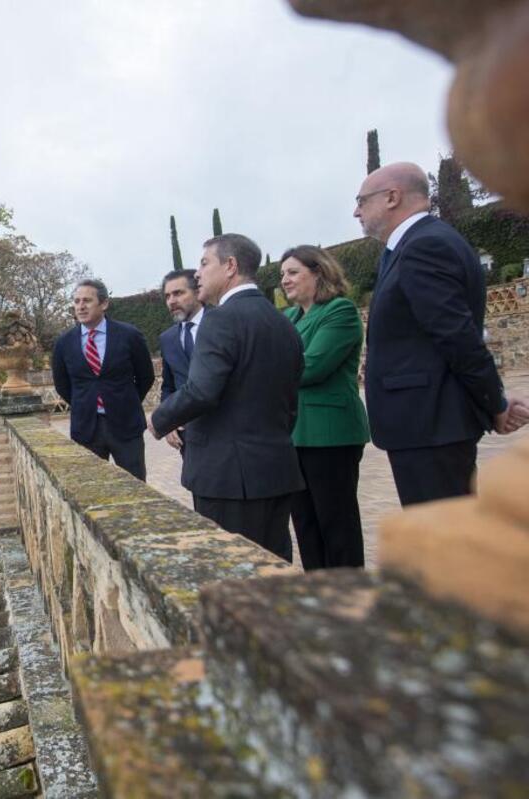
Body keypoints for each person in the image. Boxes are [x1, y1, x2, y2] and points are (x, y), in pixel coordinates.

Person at [355, 162, 528, 505]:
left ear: (392, 197)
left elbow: (458, 336)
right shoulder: (409, 248)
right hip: (424, 425)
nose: (356, 211)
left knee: (444, 544)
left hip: (430, 423)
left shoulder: (425, 246)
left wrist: (495, 404)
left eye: (362, 201)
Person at [148, 234, 305, 561]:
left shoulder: (220, 318)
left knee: (234, 575)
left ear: (230, 266)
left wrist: (159, 418)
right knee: (273, 570)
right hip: (276, 468)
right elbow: (289, 400)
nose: (198, 274)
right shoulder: (283, 321)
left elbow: (201, 390)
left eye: (205, 263)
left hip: (228, 478)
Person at [279, 245, 369, 569]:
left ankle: (349, 598)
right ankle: (320, 596)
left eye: (292, 272)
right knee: (305, 523)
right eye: (282, 275)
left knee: (337, 522)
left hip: (331, 432)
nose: (285, 280)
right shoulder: (287, 317)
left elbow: (313, 365)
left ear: (318, 272)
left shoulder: (339, 311)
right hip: (293, 435)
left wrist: (265, 369)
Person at [52, 278, 155, 479]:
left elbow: (146, 376)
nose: (80, 307)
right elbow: (62, 384)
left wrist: (125, 401)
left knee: (134, 487)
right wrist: (84, 404)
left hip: (125, 425)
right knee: (91, 487)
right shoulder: (64, 343)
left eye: (87, 301)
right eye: (76, 301)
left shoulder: (129, 335)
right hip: (86, 428)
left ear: (104, 303)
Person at [158, 269, 204, 453]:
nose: (171, 301)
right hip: (188, 435)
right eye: (167, 296)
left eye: (178, 293)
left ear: (198, 292)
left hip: (226, 430)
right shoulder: (167, 338)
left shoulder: (223, 324)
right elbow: (169, 386)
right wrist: (168, 421)